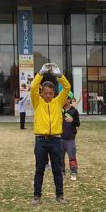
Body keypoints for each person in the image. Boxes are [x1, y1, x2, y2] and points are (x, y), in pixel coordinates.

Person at [31, 63, 71, 204]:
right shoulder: (37, 102)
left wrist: (59, 76)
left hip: (55, 140)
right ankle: (37, 196)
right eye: (45, 93)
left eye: (50, 93)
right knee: (39, 169)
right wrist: (40, 73)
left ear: (54, 93)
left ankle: (60, 196)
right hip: (41, 140)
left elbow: (67, 88)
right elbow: (33, 87)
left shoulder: (58, 102)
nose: (48, 95)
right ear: (42, 93)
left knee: (57, 170)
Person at [61, 96, 81, 181]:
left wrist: (72, 120)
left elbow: (78, 124)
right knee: (60, 156)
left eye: (64, 99)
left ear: (69, 100)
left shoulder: (74, 111)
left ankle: (73, 172)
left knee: (72, 156)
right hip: (60, 137)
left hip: (70, 138)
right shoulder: (60, 109)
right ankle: (62, 172)